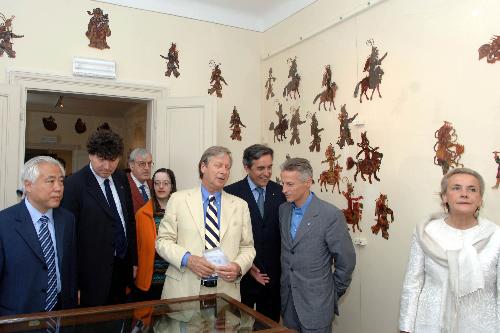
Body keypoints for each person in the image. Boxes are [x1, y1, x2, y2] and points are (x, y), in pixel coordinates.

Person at [399, 168, 500, 333]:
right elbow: (413, 283)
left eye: (472, 189)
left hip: (481, 325)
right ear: (444, 197)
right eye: (456, 188)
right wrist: (406, 327)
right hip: (430, 323)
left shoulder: (496, 236)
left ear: (480, 199)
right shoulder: (426, 233)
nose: (464, 194)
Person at [156, 146, 255, 301]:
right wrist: (187, 259)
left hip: (225, 292)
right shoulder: (178, 200)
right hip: (184, 291)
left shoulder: (240, 205)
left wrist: (238, 267)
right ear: (203, 167)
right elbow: (162, 241)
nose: (224, 171)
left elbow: (247, 247)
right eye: (218, 165)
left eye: (227, 167)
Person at [279, 158, 356, 333]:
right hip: (288, 304)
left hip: (317, 307)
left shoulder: (330, 215)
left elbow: (346, 262)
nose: (284, 189)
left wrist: (330, 294)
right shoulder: (283, 211)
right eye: (283, 183)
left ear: (308, 183)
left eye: (290, 184)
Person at [61, 130, 136, 307]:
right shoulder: (73, 185)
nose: (107, 166)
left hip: (121, 267)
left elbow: (129, 221)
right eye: (101, 159)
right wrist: (74, 283)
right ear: (90, 155)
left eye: (113, 160)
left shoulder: (120, 178)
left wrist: (134, 261)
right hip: (90, 275)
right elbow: (68, 239)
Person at [0, 156, 77, 315]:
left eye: (61, 181)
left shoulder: (67, 219)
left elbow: (70, 266)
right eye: (50, 181)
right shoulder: (5, 223)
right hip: (18, 317)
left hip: (60, 313)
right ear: (28, 185)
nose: (58, 188)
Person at [224, 144, 285, 322]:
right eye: (260, 168)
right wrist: (248, 266)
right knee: (237, 325)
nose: (267, 173)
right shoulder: (231, 193)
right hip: (242, 277)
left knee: (270, 325)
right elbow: (228, 238)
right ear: (246, 167)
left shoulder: (280, 192)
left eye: (269, 167)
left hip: (273, 277)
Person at [134, 168, 177, 301]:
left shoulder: (182, 213)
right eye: (157, 183)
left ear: (172, 186)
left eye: (165, 183)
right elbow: (136, 247)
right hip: (150, 282)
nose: (161, 187)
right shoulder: (142, 214)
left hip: (175, 279)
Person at [128, 148, 154, 214]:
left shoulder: (154, 184)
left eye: (149, 163)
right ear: (131, 166)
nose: (147, 168)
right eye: (142, 164)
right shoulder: (123, 184)